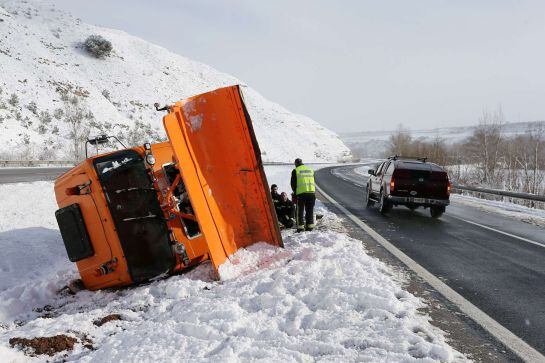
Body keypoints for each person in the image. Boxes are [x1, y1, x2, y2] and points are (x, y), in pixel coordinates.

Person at [290, 158, 316, 232]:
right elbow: (313, 181)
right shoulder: (310, 170)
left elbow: (293, 184)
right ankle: (310, 226)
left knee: (300, 211)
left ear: (296, 164)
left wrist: (295, 193)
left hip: (301, 194)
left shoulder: (296, 171)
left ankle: (300, 227)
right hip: (311, 193)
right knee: (310, 210)